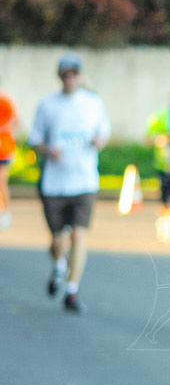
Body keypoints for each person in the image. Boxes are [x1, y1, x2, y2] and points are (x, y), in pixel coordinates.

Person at [26, 51, 111, 313]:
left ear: (81, 76)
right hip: (55, 183)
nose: (71, 79)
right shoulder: (48, 104)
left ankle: (72, 291)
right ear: (60, 77)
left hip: (84, 180)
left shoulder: (93, 103)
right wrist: (48, 149)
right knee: (58, 240)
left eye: (75, 74)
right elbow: (34, 137)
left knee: (79, 234)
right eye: (66, 75)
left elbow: (103, 131)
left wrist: (100, 141)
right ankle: (59, 266)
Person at [145, 106, 170, 242]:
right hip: (162, 165)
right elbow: (148, 137)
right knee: (165, 197)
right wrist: (160, 139)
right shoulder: (160, 117)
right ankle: (165, 223)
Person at [0, 77, 20, 230]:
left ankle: (6, 212)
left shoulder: (5, 100)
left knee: (1, 182)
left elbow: (15, 122)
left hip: (3, 149)